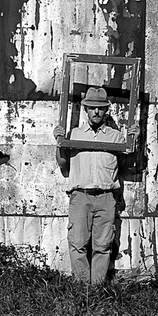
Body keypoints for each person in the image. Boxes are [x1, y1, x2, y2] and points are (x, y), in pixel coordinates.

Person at [53, 86, 139, 284]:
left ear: (106, 110)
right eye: (92, 108)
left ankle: (98, 290)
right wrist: (59, 142)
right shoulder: (74, 135)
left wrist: (134, 141)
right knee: (78, 243)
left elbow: (125, 166)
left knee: (103, 245)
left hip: (107, 197)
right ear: (86, 110)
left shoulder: (116, 137)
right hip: (80, 196)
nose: (96, 112)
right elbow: (64, 165)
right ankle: (82, 291)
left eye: (100, 108)